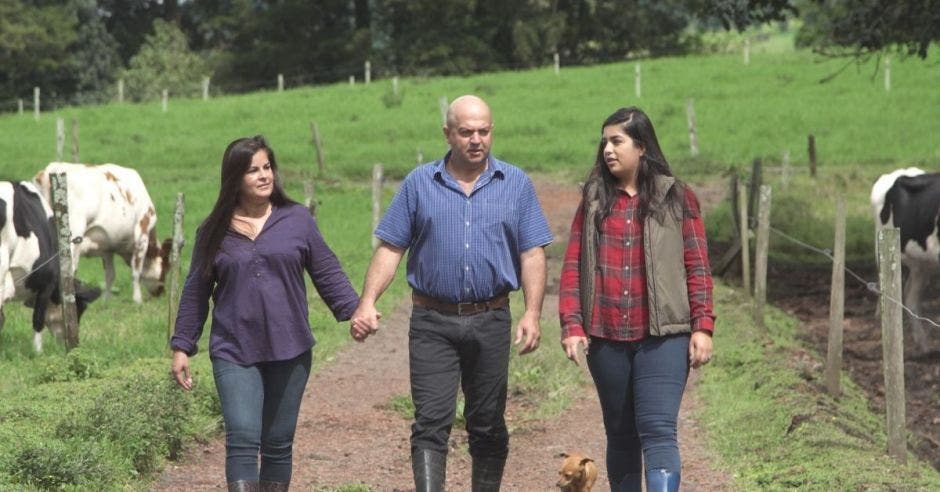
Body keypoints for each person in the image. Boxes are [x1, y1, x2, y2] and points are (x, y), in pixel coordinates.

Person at [349, 95, 553, 491]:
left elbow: (532, 252)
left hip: (491, 317)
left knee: (488, 421)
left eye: (484, 131)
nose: (476, 140)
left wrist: (532, 313)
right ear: (447, 133)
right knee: (431, 421)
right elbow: (391, 247)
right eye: (466, 132)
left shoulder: (516, 184)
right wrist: (368, 301)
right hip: (432, 321)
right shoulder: (419, 183)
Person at [170, 135, 359, 492]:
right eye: (252, 170)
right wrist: (182, 346)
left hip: (291, 347)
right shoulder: (213, 231)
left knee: (278, 441)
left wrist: (356, 312)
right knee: (242, 436)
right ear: (234, 179)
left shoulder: (297, 219)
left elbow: (327, 271)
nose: (263, 176)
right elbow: (196, 291)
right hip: (234, 349)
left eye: (267, 167)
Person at [558, 107, 715, 492]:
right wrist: (572, 325)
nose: (608, 149)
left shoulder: (677, 197)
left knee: (659, 429)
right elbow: (573, 265)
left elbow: (697, 266)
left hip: (664, 337)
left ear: (641, 146)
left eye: (617, 141)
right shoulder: (594, 199)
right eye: (605, 141)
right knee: (621, 433)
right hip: (607, 337)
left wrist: (703, 327)